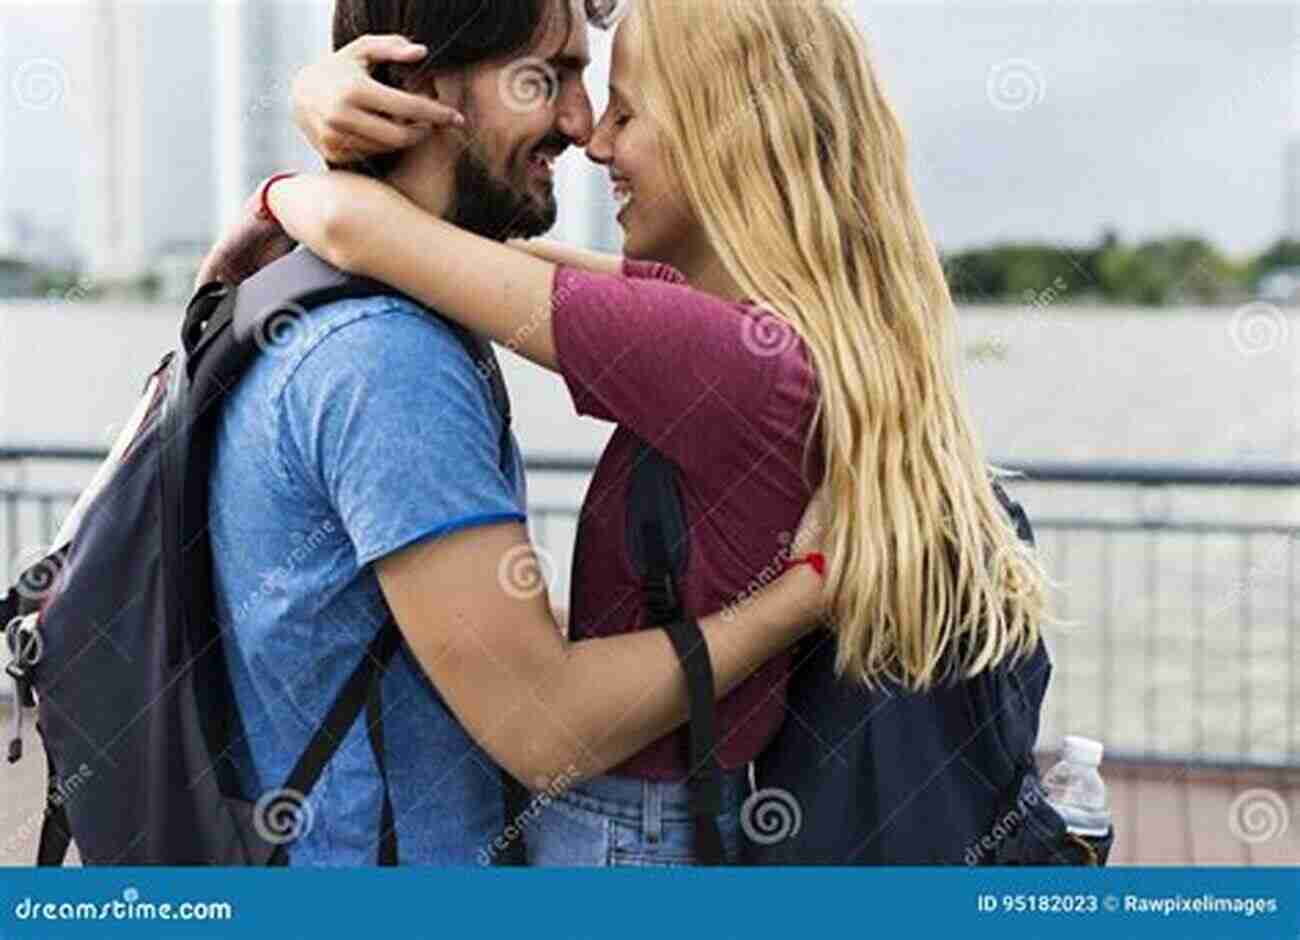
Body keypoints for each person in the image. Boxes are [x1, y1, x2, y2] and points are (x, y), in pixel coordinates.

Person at [212, 0, 1051, 866]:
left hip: (629, 831)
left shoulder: (725, 355)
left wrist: (288, 188)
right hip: (675, 813)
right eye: (566, 84)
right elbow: (477, 263)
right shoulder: (769, 332)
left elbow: (368, 231)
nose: (594, 140)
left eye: (624, 110)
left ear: (723, 135)